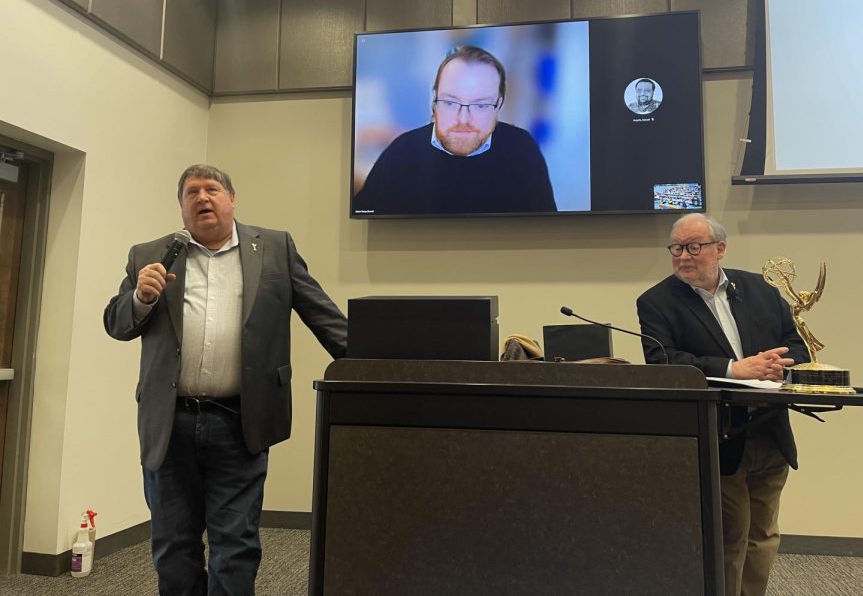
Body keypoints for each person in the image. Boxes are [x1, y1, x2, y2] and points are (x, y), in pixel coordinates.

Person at [103, 164, 347, 595]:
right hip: (169, 426)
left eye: (211, 189)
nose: (202, 198)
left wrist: (374, 364)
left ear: (231, 199)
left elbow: (322, 315)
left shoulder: (274, 249)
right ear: (181, 207)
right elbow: (118, 324)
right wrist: (139, 298)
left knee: (235, 546)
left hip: (240, 421)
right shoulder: (151, 255)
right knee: (173, 546)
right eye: (191, 193)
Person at [635, 213, 808, 596]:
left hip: (770, 430)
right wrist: (735, 368)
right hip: (721, 435)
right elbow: (664, 361)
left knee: (763, 535)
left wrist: (776, 365)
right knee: (731, 536)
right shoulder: (657, 302)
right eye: (677, 248)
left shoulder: (760, 289)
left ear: (720, 249)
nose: (684, 256)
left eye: (694, 247)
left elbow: (797, 346)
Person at [353, 45, 557, 215]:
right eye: (450, 103)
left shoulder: (521, 150)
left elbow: (546, 229)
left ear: (499, 104)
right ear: (434, 101)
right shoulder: (401, 151)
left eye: (481, 105)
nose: (463, 119)